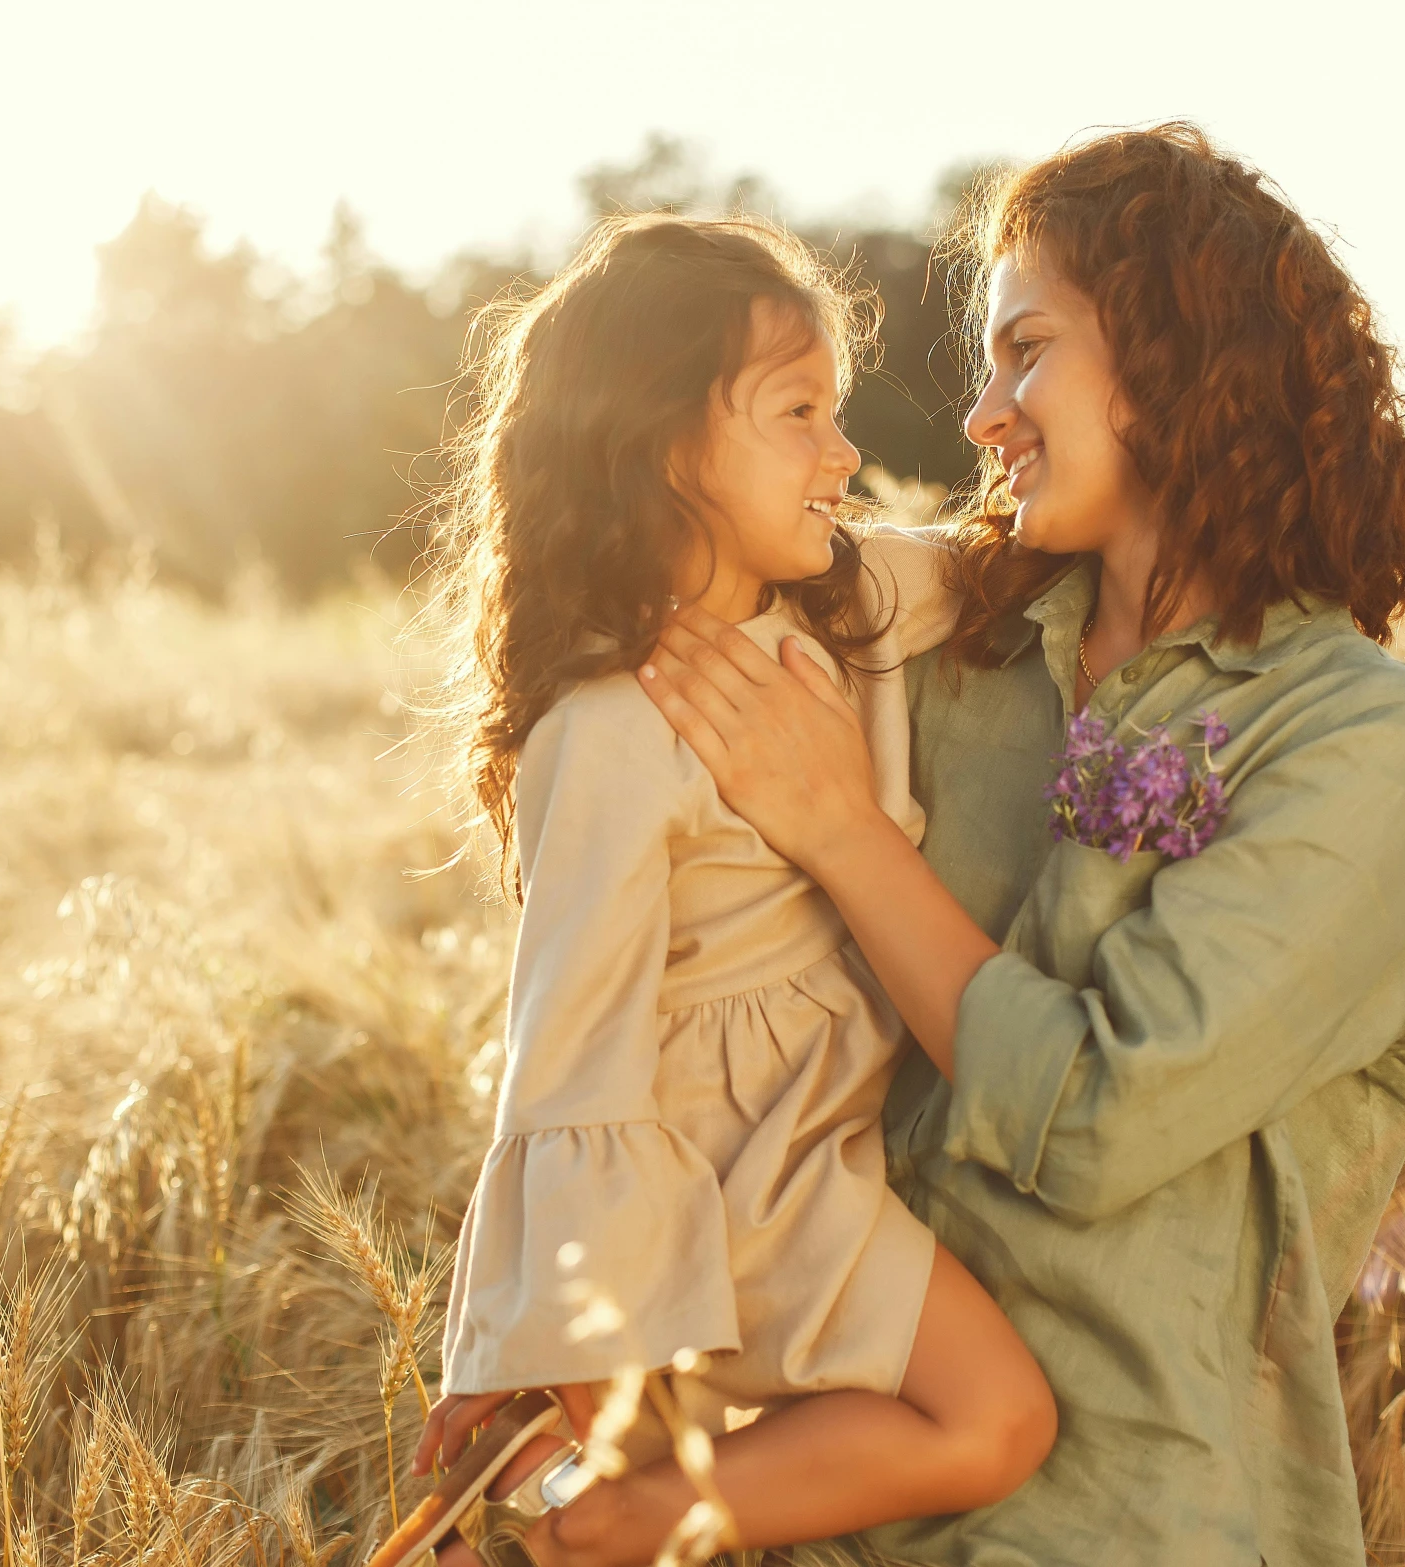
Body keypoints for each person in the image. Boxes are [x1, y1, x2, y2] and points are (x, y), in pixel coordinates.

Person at [636, 123, 1405, 1566]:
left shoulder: (1360, 737)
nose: (980, 414)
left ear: (1179, 351)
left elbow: (1095, 1120)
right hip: (811, 1482)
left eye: (1024, 349)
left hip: (1126, 1518)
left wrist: (841, 828)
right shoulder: (950, 646)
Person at [385, 214, 1055, 1567]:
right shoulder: (610, 726)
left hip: (819, 1134)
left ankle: (579, 1516)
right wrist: (534, 1331)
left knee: (987, 1421)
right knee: (995, 1418)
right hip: (732, 1177)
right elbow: (567, 1047)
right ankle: (603, 1517)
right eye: (797, 413)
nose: (844, 453)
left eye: (837, 411)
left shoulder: (840, 603)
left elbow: (1002, 556)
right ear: (663, 444)